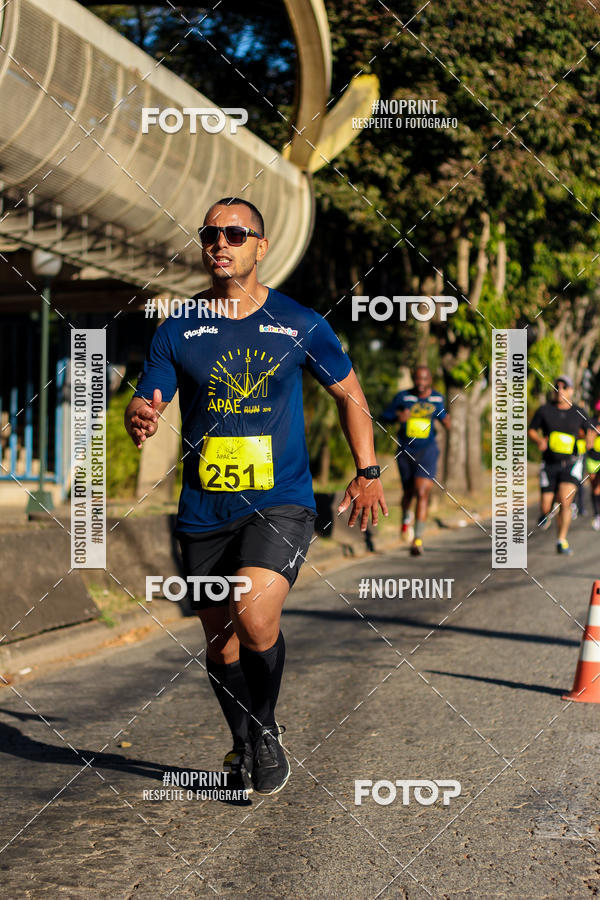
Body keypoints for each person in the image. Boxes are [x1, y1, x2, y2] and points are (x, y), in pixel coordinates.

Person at [124, 197, 387, 796]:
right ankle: (244, 740)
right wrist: (140, 413)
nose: (221, 242)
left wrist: (367, 470)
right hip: (203, 510)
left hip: (282, 500)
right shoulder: (179, 327)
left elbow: (350, 395)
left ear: (259, 247)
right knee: (220, 641)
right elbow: (152, 396)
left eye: (235, 234)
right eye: (211, 233)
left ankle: (263, 730)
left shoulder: (298, 323)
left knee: (253, 609)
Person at [381, 365, 450, 556]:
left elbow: (443, 416)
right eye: (418, 379)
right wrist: (397, 416)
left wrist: (446, 421)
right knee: (409, 492)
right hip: (405, 450)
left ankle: (417, 539)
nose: (421, 383)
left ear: (430, 380)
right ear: (414, 379)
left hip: (427, 450)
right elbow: (383, 416)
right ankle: (405, 519)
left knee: (422, 492)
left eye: (425, 379)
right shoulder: (403, 397)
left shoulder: (437, 398)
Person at [528, 375, 587, 554]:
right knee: (546, 507)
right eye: (557, 387)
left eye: (564, 387)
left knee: (565, 501)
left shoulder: (579, 412)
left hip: (570, 463)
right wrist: (539, 440)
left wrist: (587, 440)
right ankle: (546, 513)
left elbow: (588, 431)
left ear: (571, 391)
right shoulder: (545, 410)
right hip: (549, 464)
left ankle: (562, 540)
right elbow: (531, 430)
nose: (559, 390)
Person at [586, 400, 600, 530]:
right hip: (593, 459)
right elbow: (588, 444)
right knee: (595, 488)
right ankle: (597, 515)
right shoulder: (592, 422)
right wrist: (595, 432)